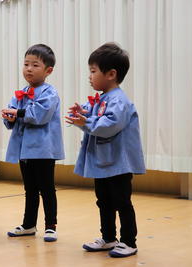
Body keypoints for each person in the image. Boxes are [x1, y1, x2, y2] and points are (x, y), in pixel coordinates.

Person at [66, 42, 145, 257]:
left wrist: (85, 122)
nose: (89, 76)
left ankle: (129, 241)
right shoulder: (102, 98)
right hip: (104, 162)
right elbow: (95, 115)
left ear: (111, 74)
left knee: (122, 202)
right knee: (104, 200)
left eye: (93, 71)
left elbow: (109, 126)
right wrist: (83, 112)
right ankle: (109, 238)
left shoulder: (119, 100)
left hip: (118, 163)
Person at [2, 44, 65, 242]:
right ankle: (29, 224)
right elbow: (11, 117)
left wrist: (18, 113)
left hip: (43, 150)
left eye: (35, 65)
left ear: (48, 70)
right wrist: (9, 116)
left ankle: (51, 226)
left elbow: (40, 115)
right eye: (26, 64)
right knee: (29, 189)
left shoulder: (50, 93)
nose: (29, 68)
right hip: (25, 150)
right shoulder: (21, 92)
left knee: (47, 188)